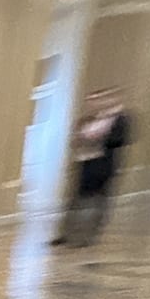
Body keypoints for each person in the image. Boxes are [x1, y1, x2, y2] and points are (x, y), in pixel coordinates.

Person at [51, 88, 134, 247]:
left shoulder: (122, 119)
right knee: (76, 201)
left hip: (104, 165)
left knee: (98, 202)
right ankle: (68, 234)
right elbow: (76, 138)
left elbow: (121, 140)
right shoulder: (89, 119)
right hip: (86, 162)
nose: (93, 103)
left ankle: (89, 237)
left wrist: (100, 137)